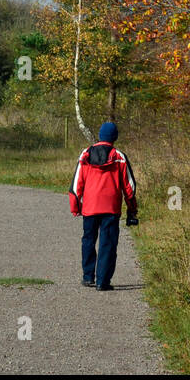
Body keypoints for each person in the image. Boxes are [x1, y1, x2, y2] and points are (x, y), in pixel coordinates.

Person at [68, 121, 138, 291]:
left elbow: (76, 184)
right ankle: (102, 281)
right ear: (114, 137)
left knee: (88, 240)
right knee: (108, 243)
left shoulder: (85, 154)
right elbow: (129, 187)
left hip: (90, 207)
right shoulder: (119, 156)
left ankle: (87, 276)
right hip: (111, 209)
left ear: (99, 135)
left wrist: (75, 206)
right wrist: (132, 210)